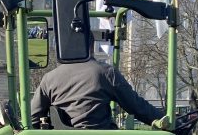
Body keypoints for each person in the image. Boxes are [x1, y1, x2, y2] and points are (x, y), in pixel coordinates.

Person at [30, 54, 169, 130]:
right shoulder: (105, 72)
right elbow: (137, 107)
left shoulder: (49, 78)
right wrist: (165, 120)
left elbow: (34, 117)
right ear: (90, 46)